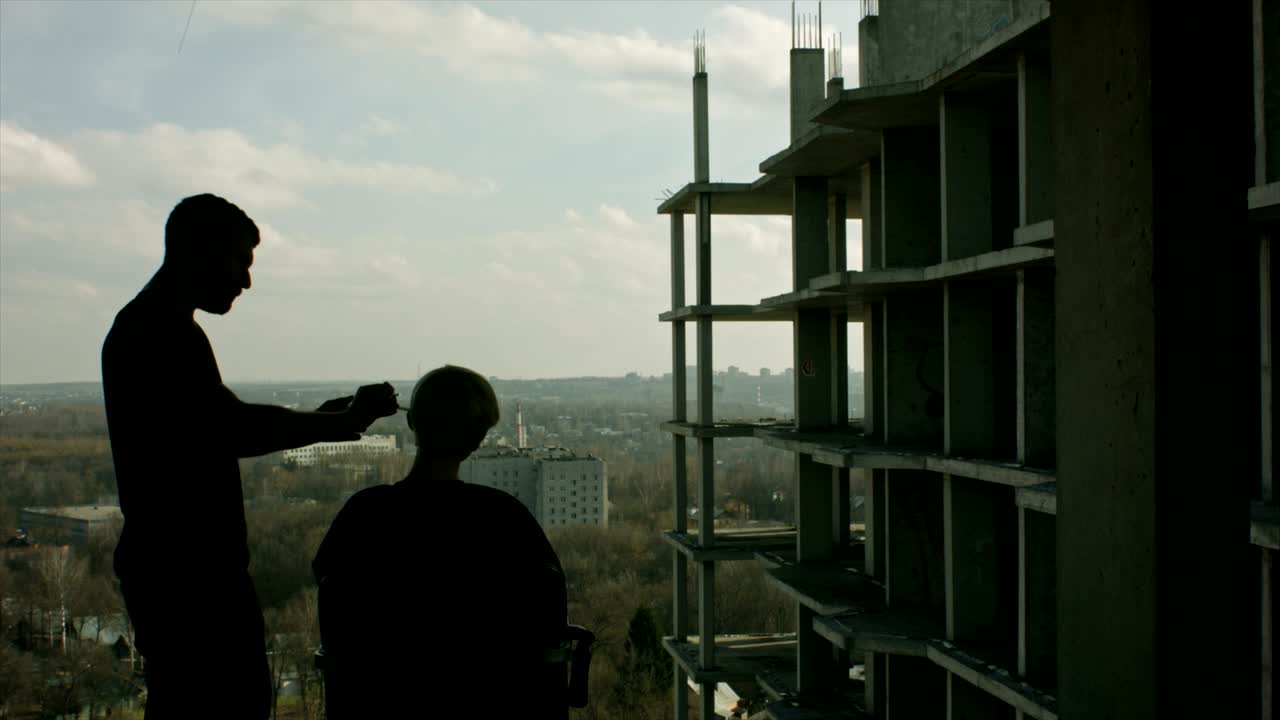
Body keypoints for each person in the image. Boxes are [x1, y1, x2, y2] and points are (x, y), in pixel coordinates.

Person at [101, 193, 398, 719]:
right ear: (200, 249)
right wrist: (342, 422)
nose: (246, 280)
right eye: (240, 261)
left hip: (178, 574)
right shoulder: (162, 332)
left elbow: (215, 425)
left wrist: (328, 420)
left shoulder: (153, 326)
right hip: (189, 581)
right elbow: (230, 428)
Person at [313, 366, 569, 718]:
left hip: (378, 705)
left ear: (411, 423)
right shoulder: (505, 518)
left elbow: (330, 589)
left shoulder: (365, 515)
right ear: (478, 438)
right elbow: (548, 614)